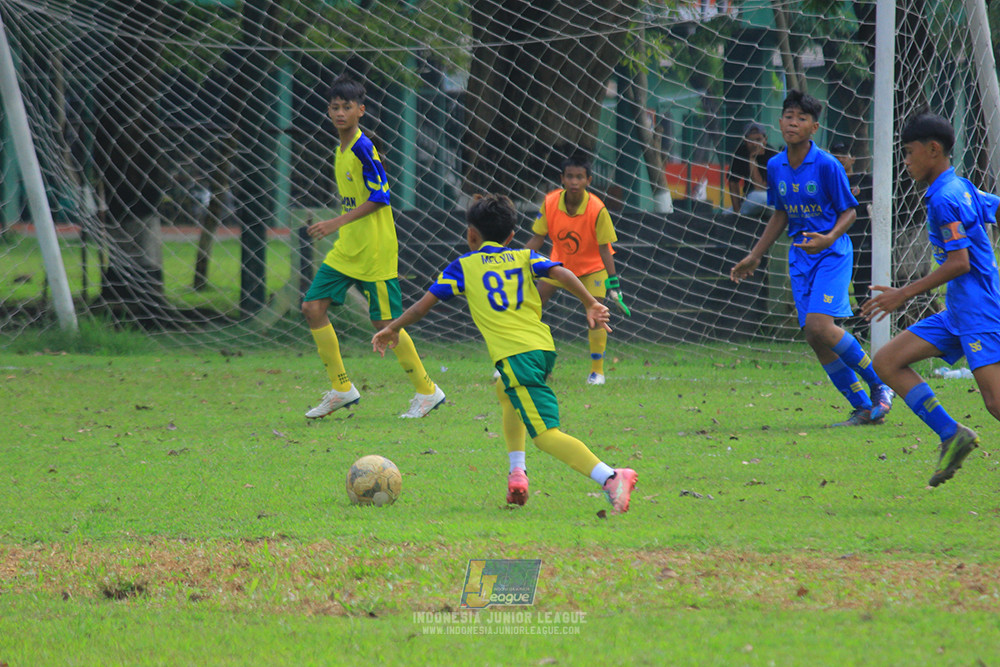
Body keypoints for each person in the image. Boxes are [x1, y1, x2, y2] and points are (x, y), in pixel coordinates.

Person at [372, 194, 638, 513]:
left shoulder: (464, 266)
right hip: (541, 347)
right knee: (505, 389)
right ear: (511, 237)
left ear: (471, 234)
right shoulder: (525, 256)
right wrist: (590, 302)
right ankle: (518, 473)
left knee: (546, 436)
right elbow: (560, 272)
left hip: (517, 355)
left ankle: (610, 477)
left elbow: (420, 308)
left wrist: (393, 328)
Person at [729, 90, 894, 426]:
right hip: (801, 257)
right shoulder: (774, 165)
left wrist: (830, 237)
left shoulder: (827, 165)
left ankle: (880, 383)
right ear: (780, 121)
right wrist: (755, 255)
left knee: (822, 326)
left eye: (802, 118)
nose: (793, 122)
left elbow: (849, 211)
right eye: (789, 115)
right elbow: (780, 213)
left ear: (814, 127)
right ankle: (862, 406)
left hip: (832, 253)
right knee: (815, 337)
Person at [862, 112, 1000, 487]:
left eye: (909, 152)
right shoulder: (961, 187)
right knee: (887, 361)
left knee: (996, 403)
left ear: (933, 150)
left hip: (979, 313)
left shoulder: (945, 198)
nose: (905, 160)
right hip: (957, 311)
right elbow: (995, 206)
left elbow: (960, 262)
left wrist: (902, 294)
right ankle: (951, 434)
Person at [302, 74, 445, 420]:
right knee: (312, 307)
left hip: (375, 251)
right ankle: (341, 388)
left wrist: (334, 222)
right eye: (334, 107)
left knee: (386, 324)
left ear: (360, 111)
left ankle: (428, 391)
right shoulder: (340, 149)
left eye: (346, 107)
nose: (339, 113)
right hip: (346, 250)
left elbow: (382, 197)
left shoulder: (364, 147)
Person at [525, 155, 629, 386]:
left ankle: (597, 372)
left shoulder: (597, 209)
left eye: (579, 177)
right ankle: (520, 361)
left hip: (593, 269)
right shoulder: (550, 202)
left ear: (588, 180)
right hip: (559, 267)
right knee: (531, 306)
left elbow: (605, 248)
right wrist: (516, 263)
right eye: (569, 176)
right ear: (562, 179)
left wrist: (613, 282)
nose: (574, 181)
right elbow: (537, 237)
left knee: (596, 314)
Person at [830, 140, 874, 340]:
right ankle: (834, 328)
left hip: (862, 243)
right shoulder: (827, 181)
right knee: (836, 286)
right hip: (837, 243)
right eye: (835, 155)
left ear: (852, 159)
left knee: (862, 287)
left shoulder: (864, 180)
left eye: (843, 155)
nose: (839, 159)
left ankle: (862, 330)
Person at [727, 122, 777, 227]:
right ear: (745, 141)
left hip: (771, 201)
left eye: (758, 140)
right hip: (750, 201)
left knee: (761, 198)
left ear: (765, 139)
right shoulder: (740, 152)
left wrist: (752, 160)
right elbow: (732, 182)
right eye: (750, 140)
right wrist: (737, 212)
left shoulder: (772, 155)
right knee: (725, 215)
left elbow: (760, 188)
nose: (755, 144)